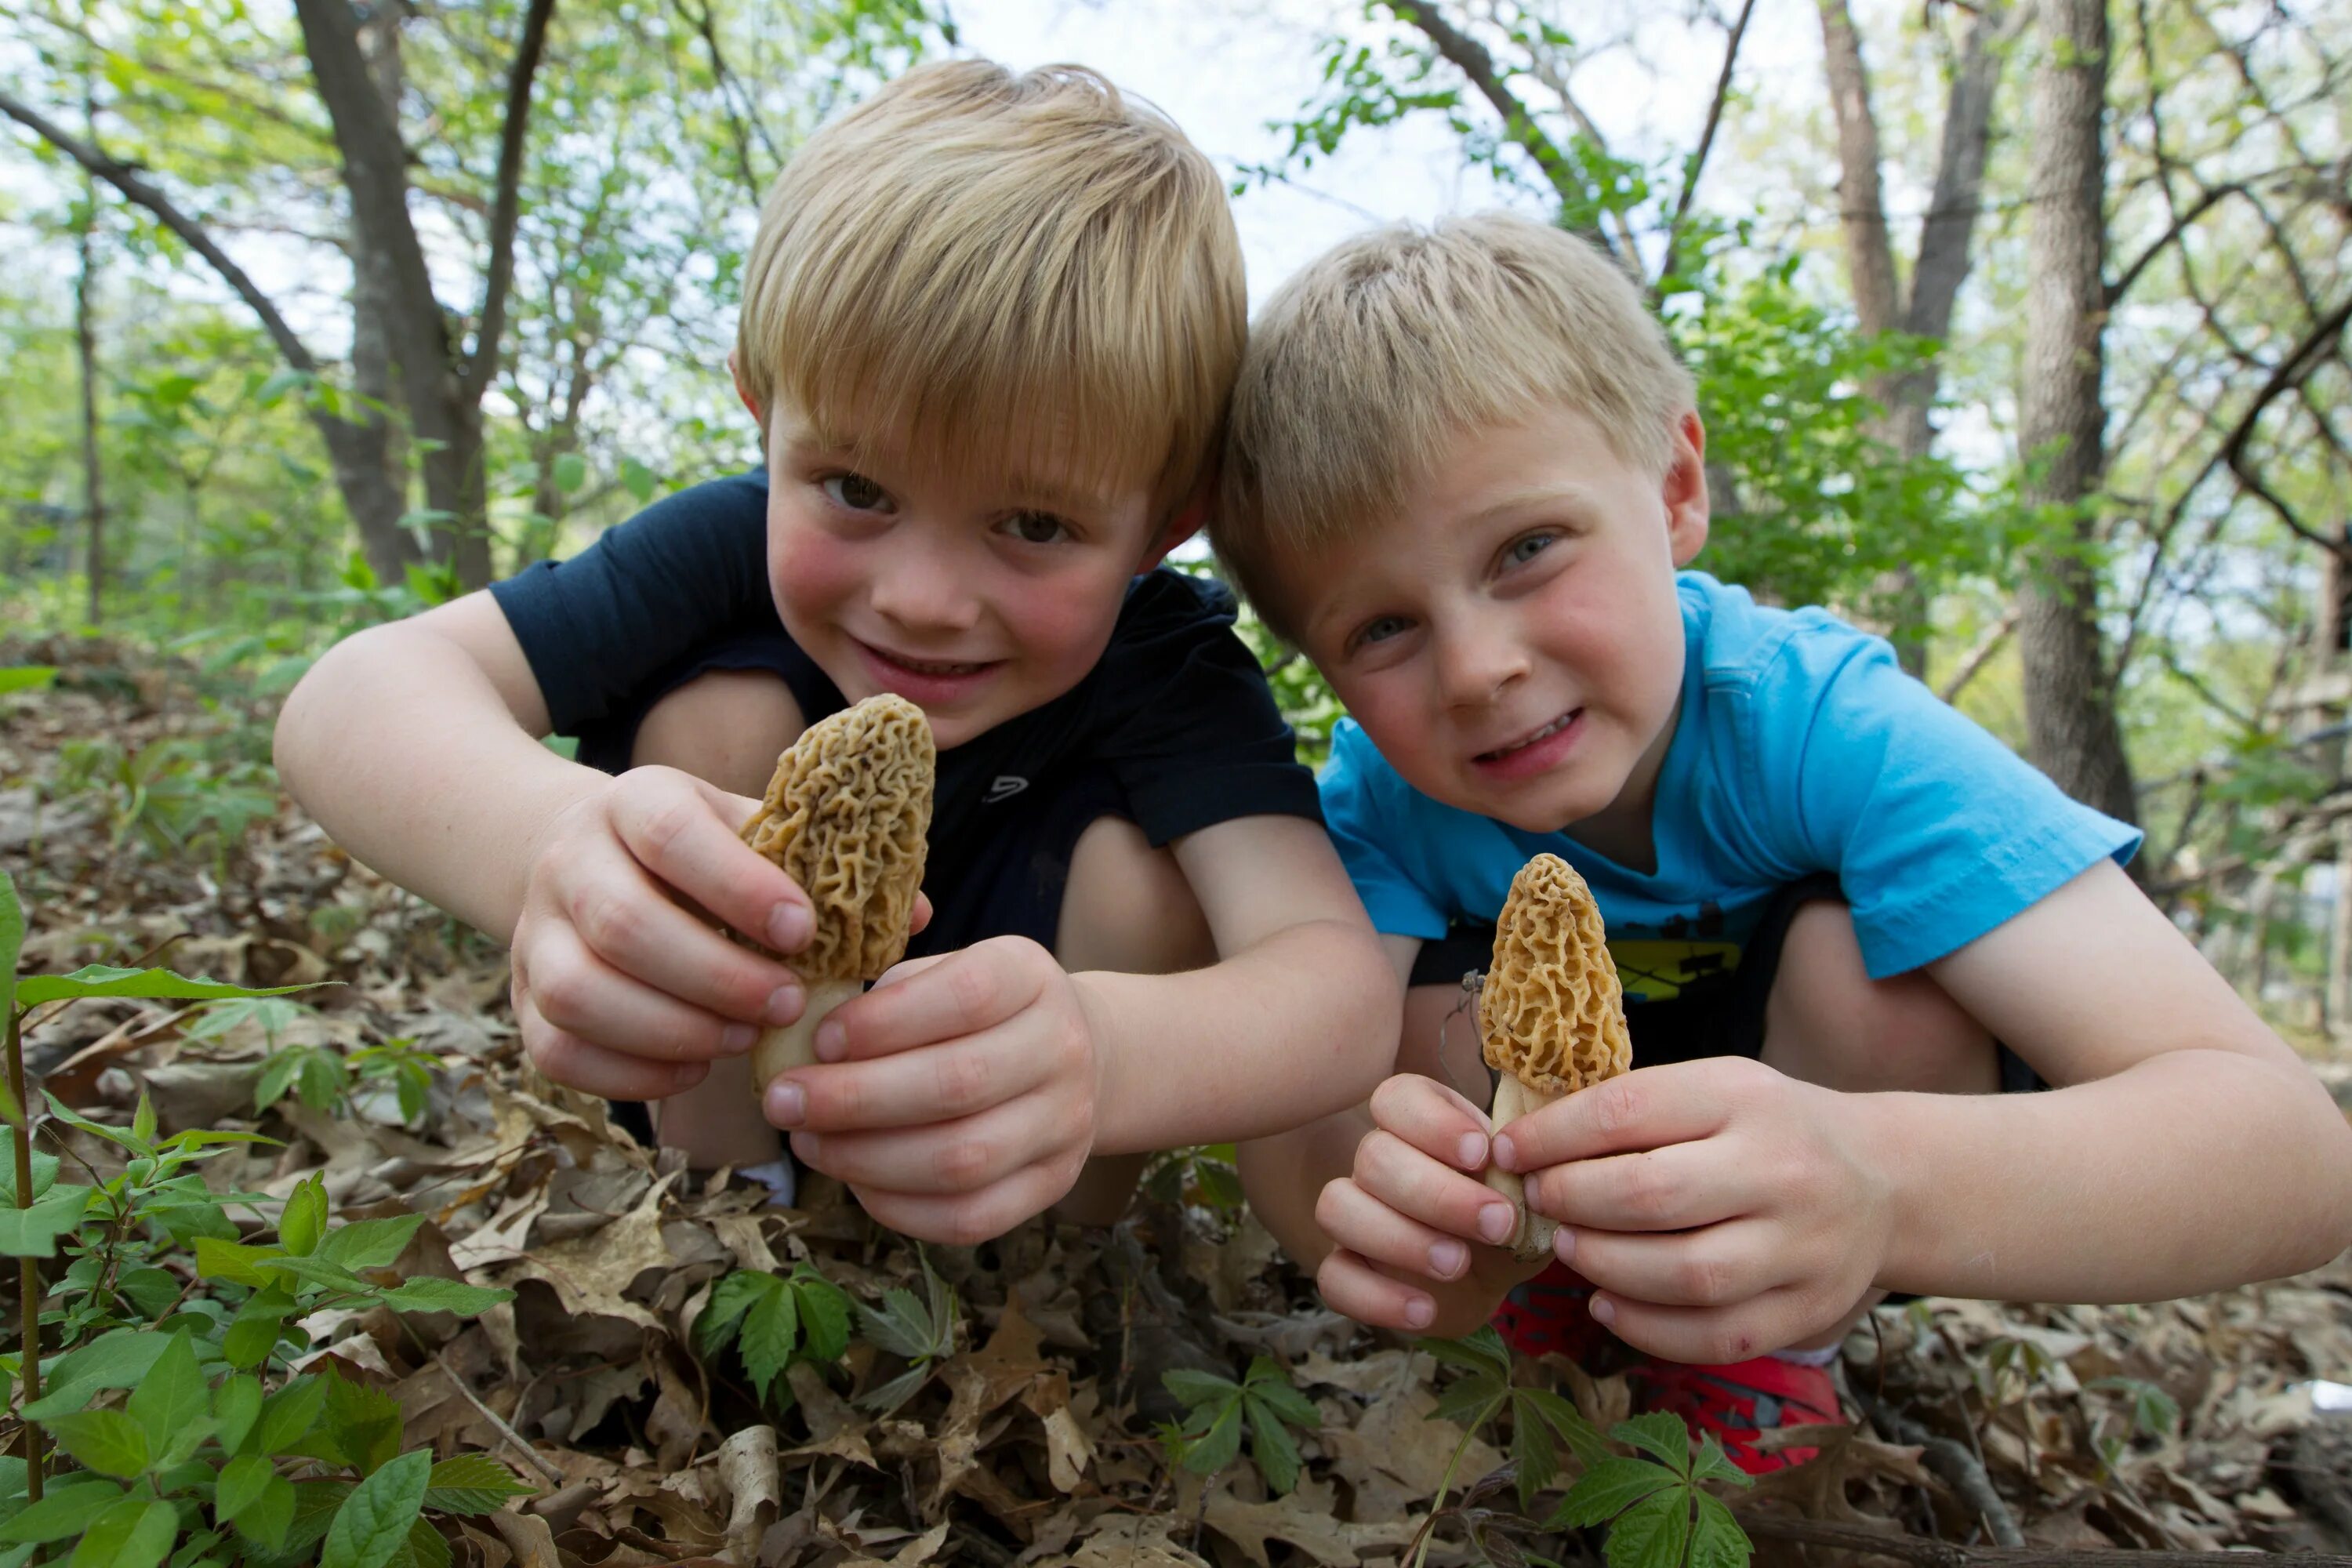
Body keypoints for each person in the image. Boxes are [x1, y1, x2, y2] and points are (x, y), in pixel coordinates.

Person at [1213, 211, 2352, 1470]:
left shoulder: (1825, 726)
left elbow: (2294, 1154)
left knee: (1872, 972)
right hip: (1525, 1210)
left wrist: (1882, 1181)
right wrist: (1398, 1225)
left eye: (1528, 549)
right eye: (1381, 629)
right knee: (1364, 1026)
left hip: (1827, 1144)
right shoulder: (1382, 790)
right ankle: (1536, 1306)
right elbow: (1299, 1119)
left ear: (1677, 488)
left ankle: (1757, 1354)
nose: (1481, 669)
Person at [275, 60, 1397, 1247]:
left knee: (1143, 874)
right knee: (712, 734)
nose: (919, 600)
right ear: (765, 415)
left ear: (1160, 528)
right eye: (856, 488)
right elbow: (350, 701)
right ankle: (719, 1220)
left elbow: (1332, 984)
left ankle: (1030, 1284)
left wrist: (1104, 1054)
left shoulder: (1167, 662)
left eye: (1034, 526)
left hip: (1011, 1118)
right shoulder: (720, 546)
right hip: (709, 1075)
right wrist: (550, 847)